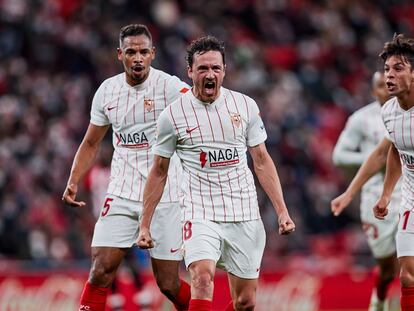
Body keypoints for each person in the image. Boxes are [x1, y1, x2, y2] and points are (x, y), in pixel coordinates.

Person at [137, 35, 295, 311]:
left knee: (245, 302)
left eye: (215, 68)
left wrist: (281, 210)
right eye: (202, 69)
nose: (209, 74)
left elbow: (261, 160)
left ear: (224, 71)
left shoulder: (245, 106)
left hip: (244, 212)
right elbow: (159, 171)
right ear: (190, 71)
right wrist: (145, 223)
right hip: (199, 213)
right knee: (202, 276)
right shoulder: (172, 117)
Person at [62, 24, 191, 311]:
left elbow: (201, 105)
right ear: (120, 54)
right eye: (131, 52)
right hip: (121, 192)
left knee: (168, 284)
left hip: (165, 195)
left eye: (144, 52)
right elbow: (91, 142)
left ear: (153, 54)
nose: (137, 58)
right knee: (100, 270)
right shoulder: (107, 91)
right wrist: (73, 180)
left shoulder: (168, 86)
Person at [331, 72, 400, 311]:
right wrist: (370, 160)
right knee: (388, 268)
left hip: (407, 193)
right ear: (373, 91)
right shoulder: (361, 119)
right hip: (374, 197)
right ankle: (379, 299)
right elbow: (339, 156)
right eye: (380, 85)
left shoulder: (406, 113)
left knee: (409, 265)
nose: (386, 89)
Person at [373, 33, 414, 311]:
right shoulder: (389, 111)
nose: (389, 75)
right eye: (387, 69)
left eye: (398, 68)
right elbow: (397, 152)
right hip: (410, 202)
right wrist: (386, 194)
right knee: (407, 275)